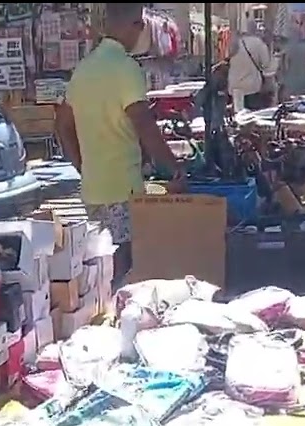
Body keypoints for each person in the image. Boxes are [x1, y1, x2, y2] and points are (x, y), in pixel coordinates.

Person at [57, 3, 186, 286]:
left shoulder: (83, 69)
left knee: (103, 265)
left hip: (92, 189)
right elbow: (143, 123)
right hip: (122, 188)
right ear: (133, 26)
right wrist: (173, 166)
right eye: (140, 25)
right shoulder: (126, 68)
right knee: (124, 269)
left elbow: (63, 125)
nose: (142, 32)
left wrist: (82, 165)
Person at [227, 29, 276, 112]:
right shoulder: (258, 43)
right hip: (252, 87)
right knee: (252, 116)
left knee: (238, 114)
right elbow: (266, 65)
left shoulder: (234, 43)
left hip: (235, 87)